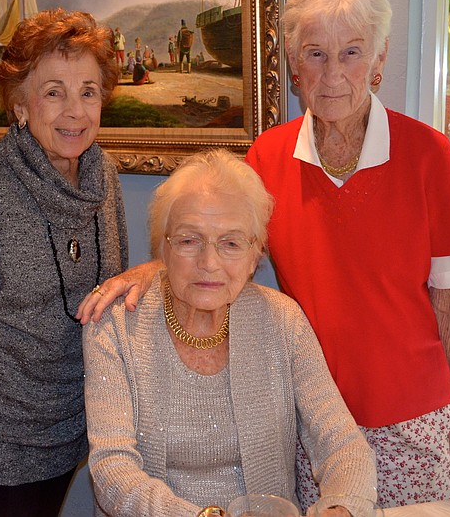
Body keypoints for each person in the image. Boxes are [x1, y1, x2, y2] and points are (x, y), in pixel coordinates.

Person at [78, 0, 450, 510]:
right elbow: (220, 239)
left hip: (414, 420)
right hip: (311, 424)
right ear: (294, 66)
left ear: (380, 60)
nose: (332, 74)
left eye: (352, 53)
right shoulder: (268, 158)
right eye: (315, 54)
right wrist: (150, 269)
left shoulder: (428, 155)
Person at [83, 149, 377, 517]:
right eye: (189, 240)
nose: (209, 263)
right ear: (163, 248)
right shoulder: (115, 325)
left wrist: (342, 507)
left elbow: (342, 443)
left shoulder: (282, 320)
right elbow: (112, 470)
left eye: (231, 243)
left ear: (255, 256)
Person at [0, 8, 128, 517]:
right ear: (20, 105)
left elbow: (112, 294)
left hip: (79, 427)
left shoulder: (103, 175)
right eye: (53, 92)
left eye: (88, 91)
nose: (75, 111)